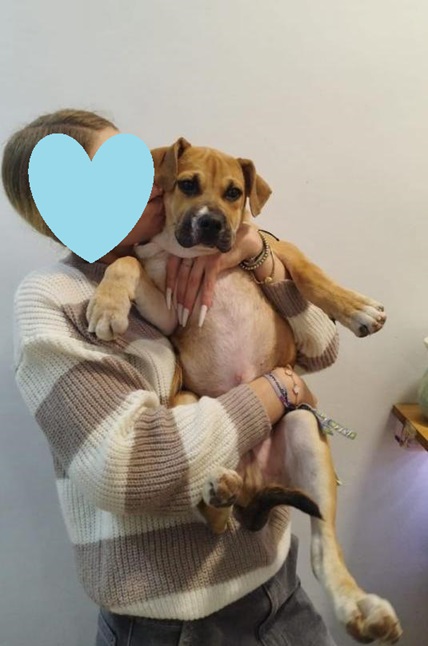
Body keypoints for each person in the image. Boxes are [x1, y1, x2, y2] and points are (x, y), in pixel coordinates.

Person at [2, 109, 339, 645]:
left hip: (277, 585)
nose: (156, 182)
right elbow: (130, 469)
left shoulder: (192, 252)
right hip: (170, 623)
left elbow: (322, 347)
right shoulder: (52, 299)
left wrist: (258, 255)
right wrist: (278, 390)